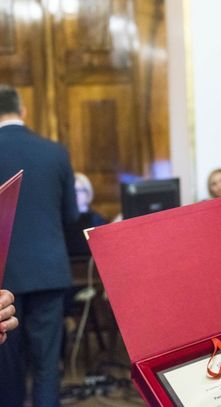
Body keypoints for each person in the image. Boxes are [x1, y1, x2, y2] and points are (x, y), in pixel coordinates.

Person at [0, 84, 79, 407]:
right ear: (23, 111)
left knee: (8, 370)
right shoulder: (55, 152)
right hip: (49, 272)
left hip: (4, 278)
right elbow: (71, 215)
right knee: (47, 366)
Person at [64, 172, 107, 257]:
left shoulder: (96, 219)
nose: (76, 194)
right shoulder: (64, 219)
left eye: (79, 190)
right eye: (73, 191)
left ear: (88, 193)